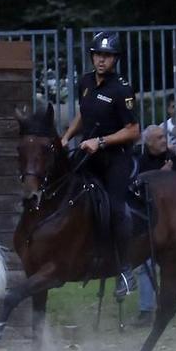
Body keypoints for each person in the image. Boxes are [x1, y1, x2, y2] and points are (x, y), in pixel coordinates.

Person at [59, 31, 142, 296]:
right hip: (88, 154)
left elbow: (133, 130)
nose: (101, 60)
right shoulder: (85, 82)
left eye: (106, 56)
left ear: (115, 59)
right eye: (97, 55)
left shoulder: (122, 89)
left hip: (115, 158)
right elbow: (84, 115)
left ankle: (125, 270)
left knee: (117, 208)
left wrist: (101, 141)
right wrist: (66, 137)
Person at [131, 125, 176, 311]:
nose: (164, 141)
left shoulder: (173, 158)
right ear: (148, 142)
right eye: (159, 138)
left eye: (164, 137)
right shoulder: (140, 161)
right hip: (151, 219)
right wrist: (162, 174)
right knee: (146, 264)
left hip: (174, 218)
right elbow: (138, 188)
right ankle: (146, 309)